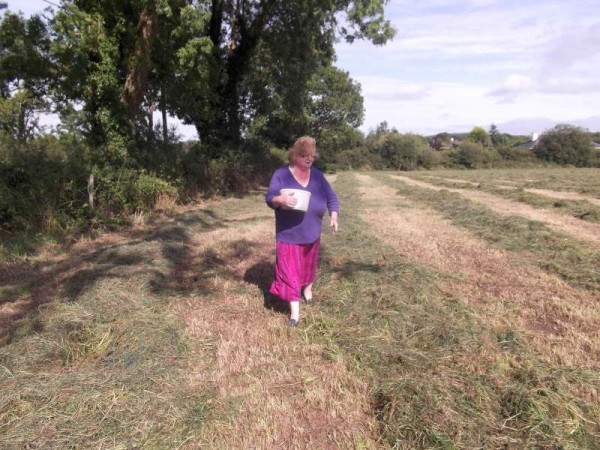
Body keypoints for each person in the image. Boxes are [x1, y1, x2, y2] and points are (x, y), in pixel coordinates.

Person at [265, 136, 339, 326]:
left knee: (308, 266)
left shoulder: (317, 176)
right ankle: (295, 314)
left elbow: (331, 197)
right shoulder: (281, 174)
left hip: (312, 232)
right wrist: (280, 201)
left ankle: (307, 290)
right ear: (295, 155)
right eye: (305, 156)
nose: (309, 159)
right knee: (289, 271)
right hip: (288, 234)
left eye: (312, 156)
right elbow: (270, 197)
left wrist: (334, 215)